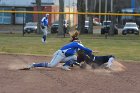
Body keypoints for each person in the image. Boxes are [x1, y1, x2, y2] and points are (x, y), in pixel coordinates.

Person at [20, 39, 93, 70]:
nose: (81, 44)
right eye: (80, 43)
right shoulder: (75, 43)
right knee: (51, 65)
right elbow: (85, 49)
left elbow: (82, 51)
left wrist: (79, 64)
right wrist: (90, 50)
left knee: (74, 57)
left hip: (63, 56)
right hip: (60, 54)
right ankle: (33, 65)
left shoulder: (75, 49)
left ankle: (65, 66)